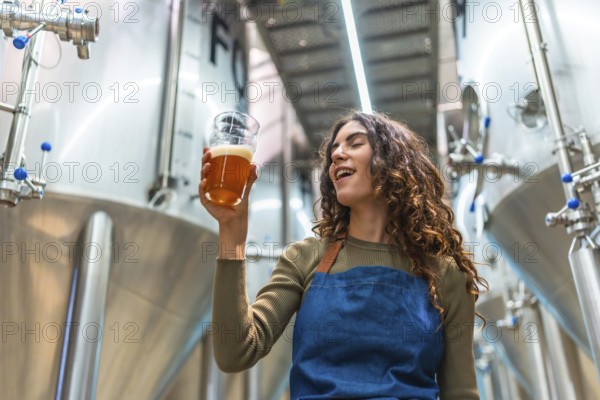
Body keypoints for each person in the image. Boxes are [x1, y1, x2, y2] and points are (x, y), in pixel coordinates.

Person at [199, 111, 487, 400]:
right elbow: (235, 352)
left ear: (393, 161)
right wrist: (232, 234)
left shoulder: (446, 275)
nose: (337, 154)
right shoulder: (305, 257)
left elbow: (461, 393)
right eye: (334, 148)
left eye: (355, 143)